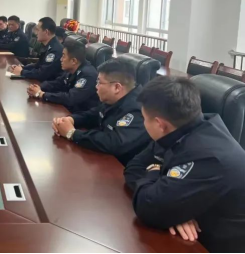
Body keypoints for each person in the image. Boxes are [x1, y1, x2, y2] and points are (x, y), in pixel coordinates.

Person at [125, 77, 245, 253]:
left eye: (144, 118)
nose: (144, 124)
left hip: (214, 245)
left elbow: (148, 208)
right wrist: (172, 210)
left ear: (159, 124)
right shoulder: (180, 129)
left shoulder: (209, 157)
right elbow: (133, 167)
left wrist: (155, 176)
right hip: (194, 232)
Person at [52, 59, 150, 166]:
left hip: (121, 168)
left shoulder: (139, 109)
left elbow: (115, 143)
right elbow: (94, 114)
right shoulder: (115, 98)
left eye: (99, 82)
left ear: (117, 87)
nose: (96, 86)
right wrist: (71, 119)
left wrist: (72, 133)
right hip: (104, 159)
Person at [27, 41, 99, 113]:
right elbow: (57, 83)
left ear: (73, 61)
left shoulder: (88, 75)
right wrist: (37, 87)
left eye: (63, 56)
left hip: (79, 116)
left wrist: (42, 94)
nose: (61, 59)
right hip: (66, 111)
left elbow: (70, 98)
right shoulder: (72, 69)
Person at [10, 17, 64, 82]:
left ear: (46, 32)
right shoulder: (47, 46)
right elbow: (38, 65)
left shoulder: (54, 50)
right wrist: (21, 68)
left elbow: (42, 74)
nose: (36, 33)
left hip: (48, 85)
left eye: (38, 30)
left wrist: (22, 72)